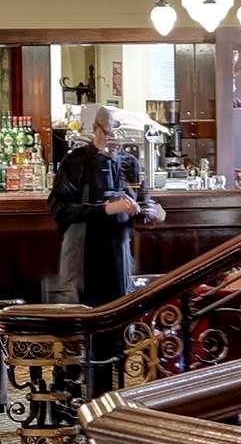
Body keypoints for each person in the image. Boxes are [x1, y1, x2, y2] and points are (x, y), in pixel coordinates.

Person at [47, 103, 164, 307]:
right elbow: (59, 209)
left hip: (119, 254)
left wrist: (155, 212)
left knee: (120, 311)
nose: (114, 144)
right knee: (84, 315)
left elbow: (144, 202)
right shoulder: (75, 162)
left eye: (119, 138)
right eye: (109, 135)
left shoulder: (130, 164)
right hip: (83, 255)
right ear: (95, 128)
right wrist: (106, 209)